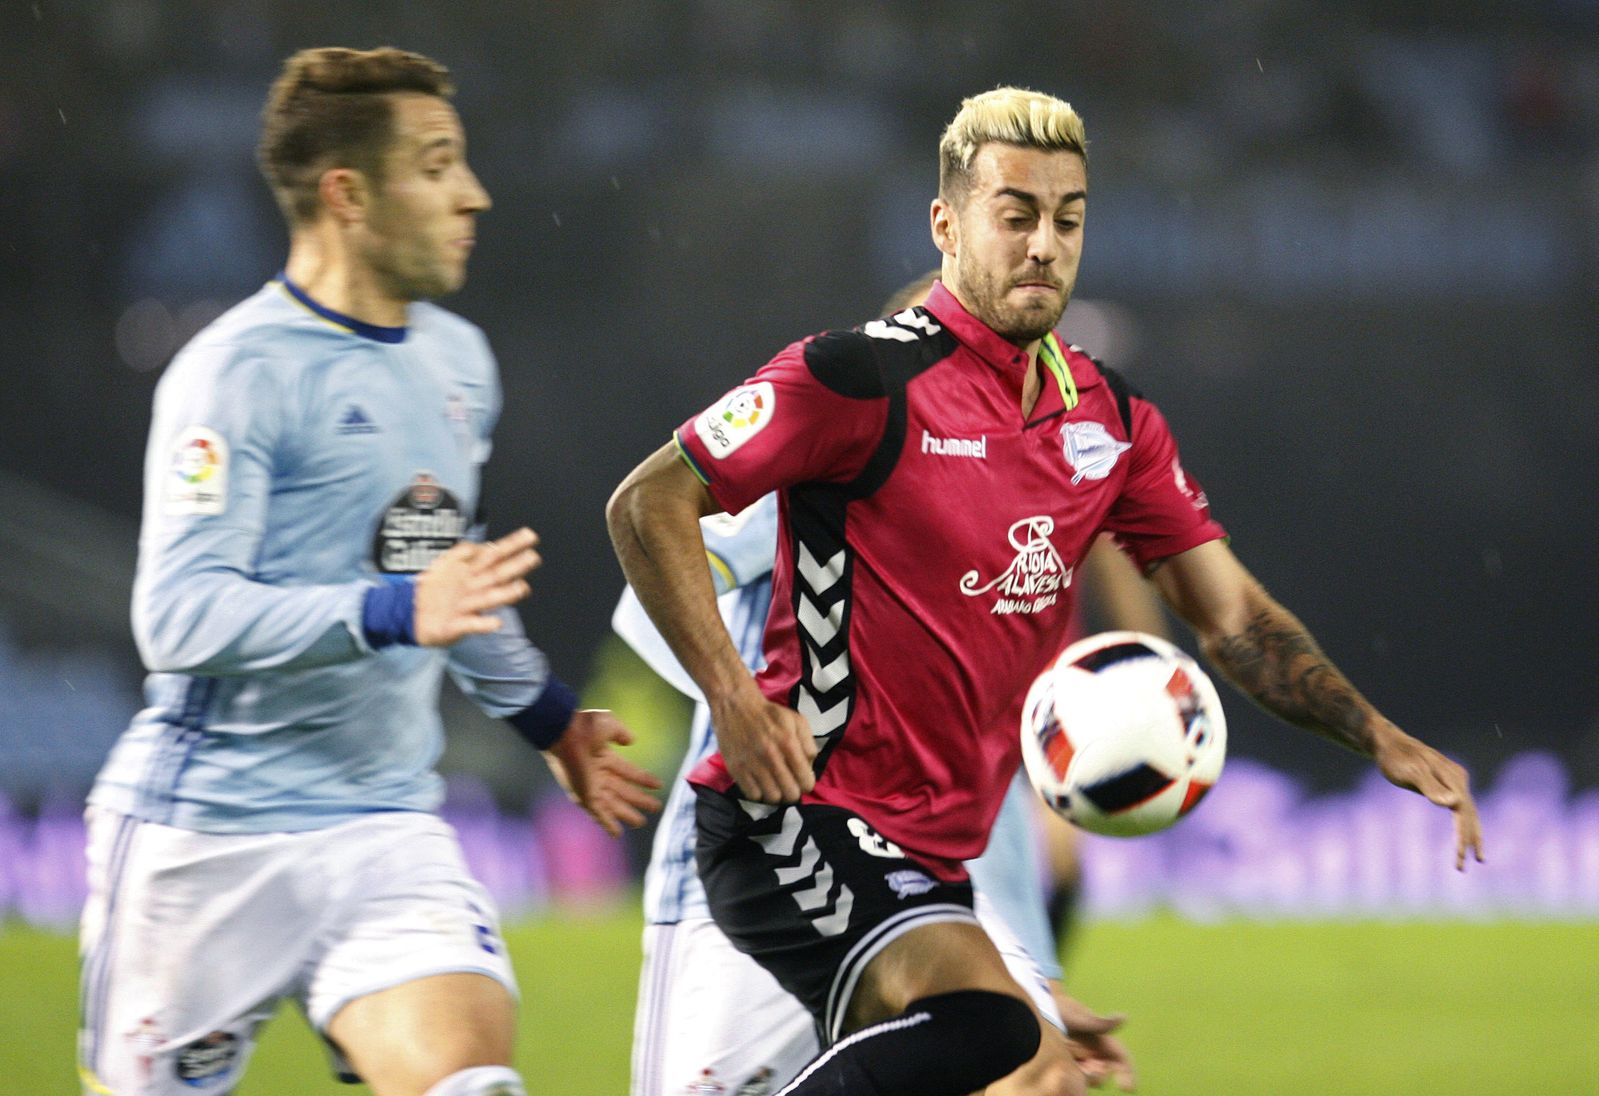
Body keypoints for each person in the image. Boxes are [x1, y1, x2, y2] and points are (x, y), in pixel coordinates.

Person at [609, 85, 1483, 1096]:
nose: (1043, 244)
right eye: (1014, 214)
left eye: (1067, 219)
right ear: (946, 224)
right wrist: (731, 693)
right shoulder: (854, 379)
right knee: (993, 1038)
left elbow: (1234, 618)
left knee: (1035, 1073)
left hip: (930, 856)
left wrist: (1377, 734)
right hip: (795, 817)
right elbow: (647, 503)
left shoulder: (1111, 421)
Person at [78, 47, 660, 1096]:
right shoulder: (236, 372)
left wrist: (548, 719)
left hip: (381, 824)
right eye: (436, 164)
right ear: (347, 194)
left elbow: (443, 579)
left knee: (469, 1077)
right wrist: (395, 609)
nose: (472, 193)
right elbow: (178, 616)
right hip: (207, 833)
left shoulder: (457, 362)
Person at [618, 271, 1150, 1096]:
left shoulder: (1024, 513)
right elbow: (649, 585)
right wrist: (742, 700)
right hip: (768, 860)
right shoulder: (830, 467)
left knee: (1036, 1072)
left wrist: (1018, 972)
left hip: (929, 886)